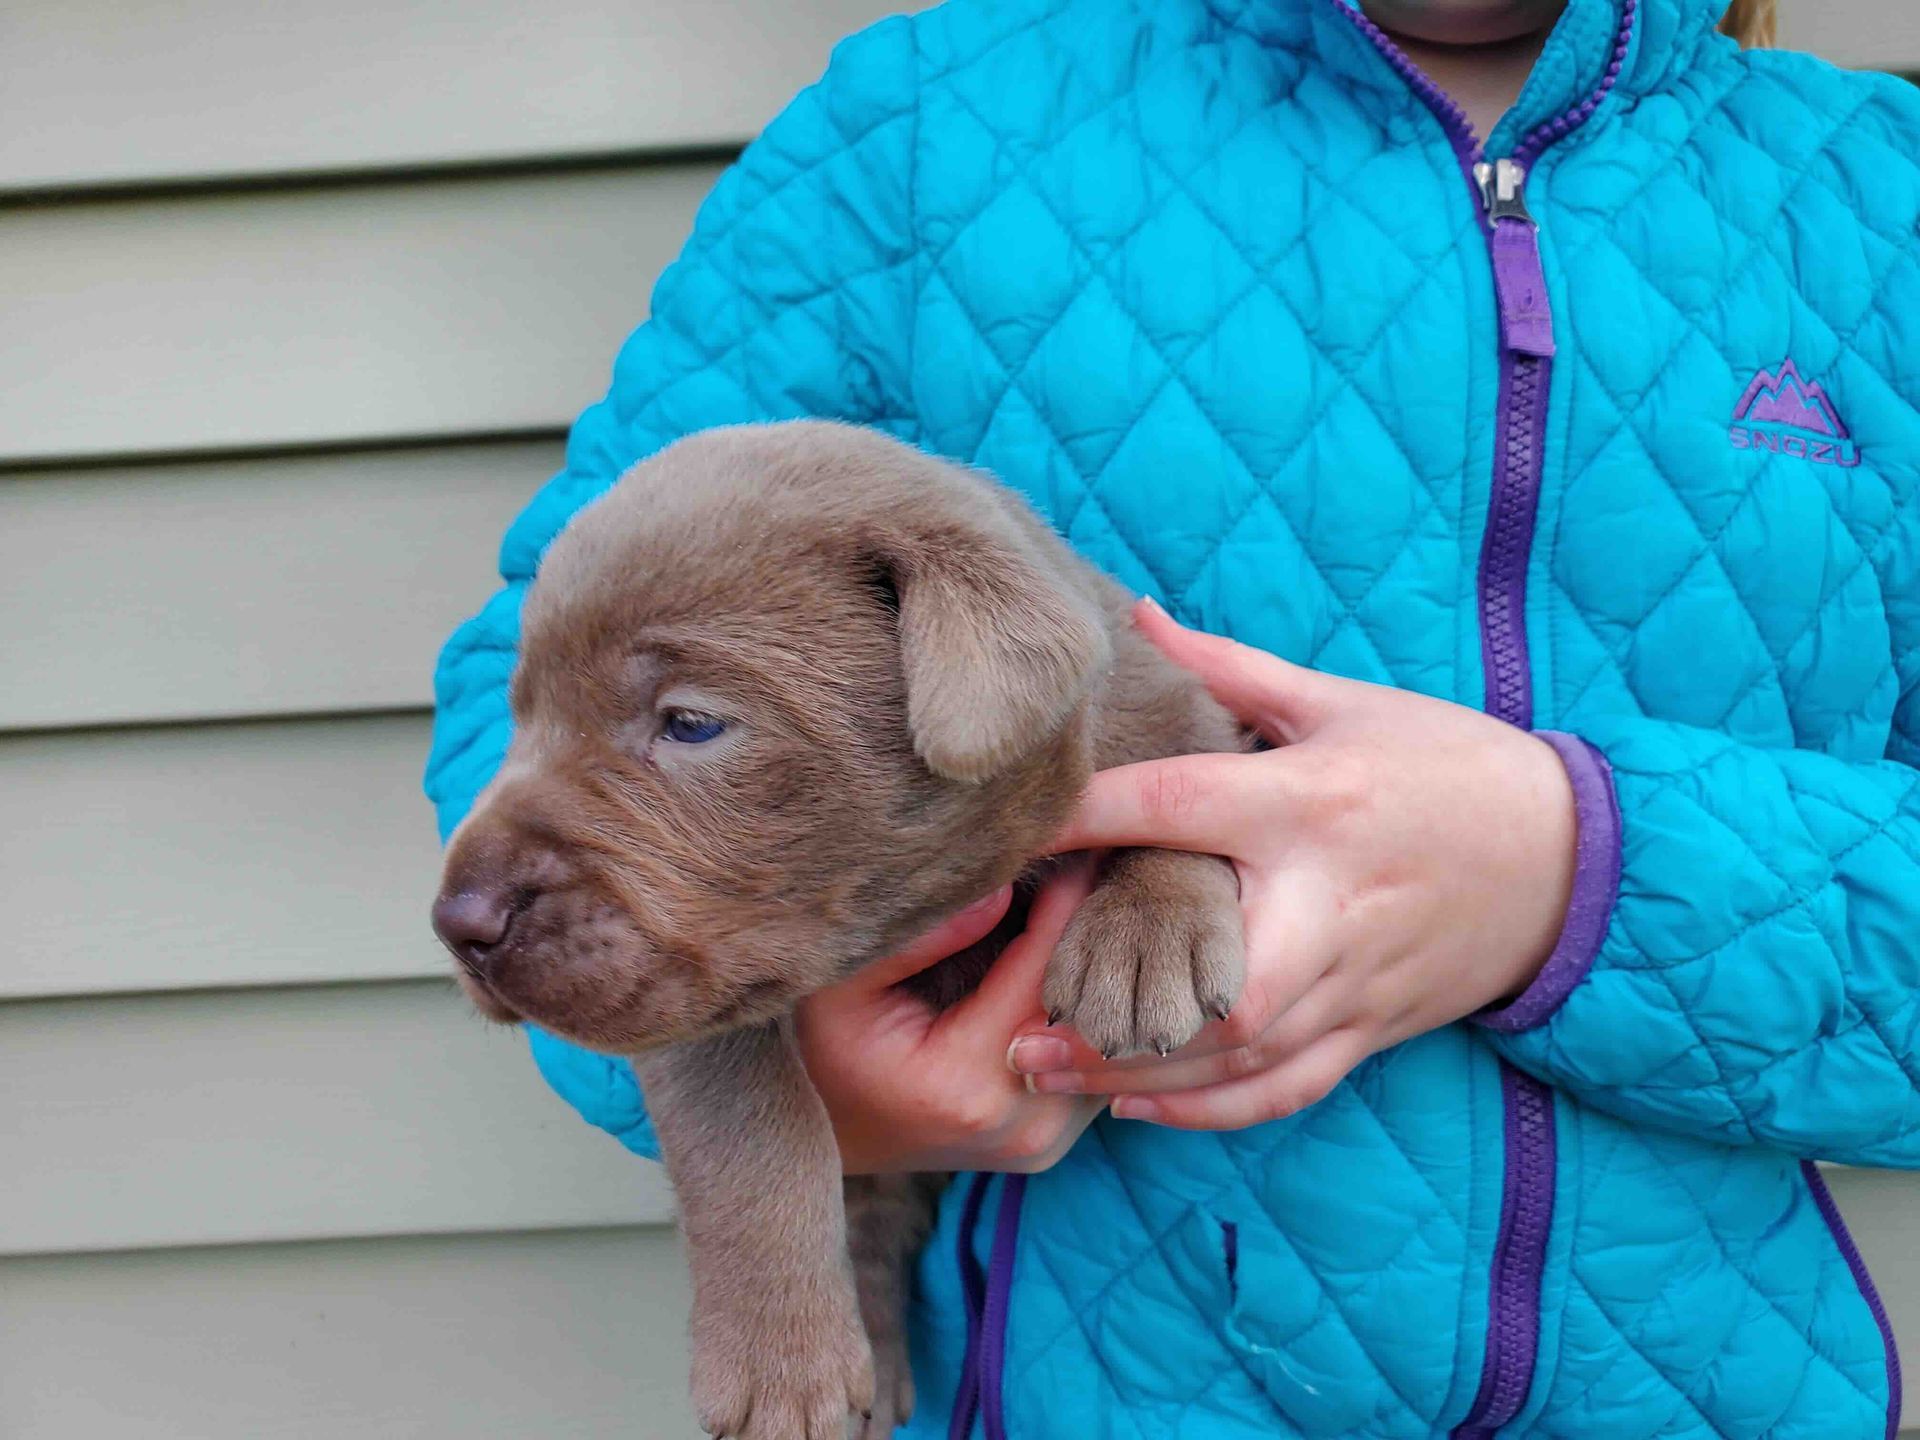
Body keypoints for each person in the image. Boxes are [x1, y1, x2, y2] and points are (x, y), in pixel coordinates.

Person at [426, 0, 1920, 1432]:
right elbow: (560, 687)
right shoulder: (927, 138)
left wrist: (1575, 876)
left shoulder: (1878, 196)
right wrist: (819, 1098)